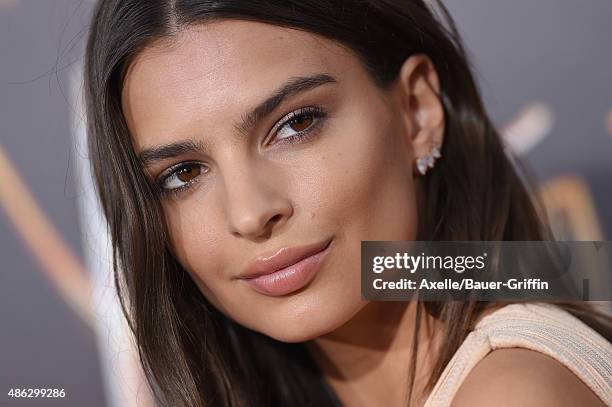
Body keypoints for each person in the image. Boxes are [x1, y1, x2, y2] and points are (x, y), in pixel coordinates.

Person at [83, 1, 612, 406]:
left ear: (416, 112)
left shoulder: (513, 391)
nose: (249, 213)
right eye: (184, 174)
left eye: (295, 124)